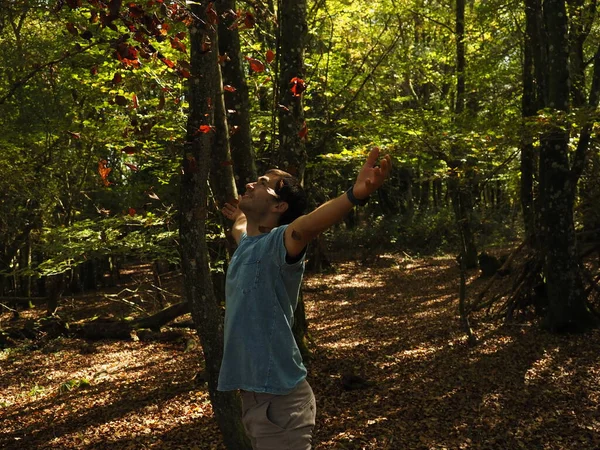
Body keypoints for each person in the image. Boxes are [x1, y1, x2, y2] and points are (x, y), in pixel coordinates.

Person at [218, 147, 392, 450]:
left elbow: (310, 224)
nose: (249, 184)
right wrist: (240, 216)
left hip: (281, 402)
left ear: (279, 206)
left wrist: (355, 194)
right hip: (256, 398)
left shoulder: (282, 240)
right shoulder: (246, 244)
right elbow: (240, 228)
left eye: (261, 183)